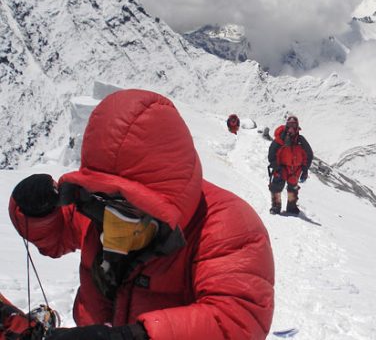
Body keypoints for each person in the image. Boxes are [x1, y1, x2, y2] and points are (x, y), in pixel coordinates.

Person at [8, 89, 274, 340]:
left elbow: (237, 320)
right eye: (101, 196)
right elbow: (58, 234)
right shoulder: (100, 206)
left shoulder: (228, 225)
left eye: (128, 204)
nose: (110, 217)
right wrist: (37, 213)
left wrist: (136, 336)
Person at [267, 115, 313, 215]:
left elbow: (309, 154)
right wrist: (276, 167)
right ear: (286, 126)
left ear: (297, 127)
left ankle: (291, 207)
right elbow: (272, 153)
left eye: (294, 125)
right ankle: (276, 206)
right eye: (289, 124)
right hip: (281, 167)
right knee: (276, 186)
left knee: (293, 187)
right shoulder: (280, 139)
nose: (291, 127)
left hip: (296, 169)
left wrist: (305, 170)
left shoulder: (300, 140)